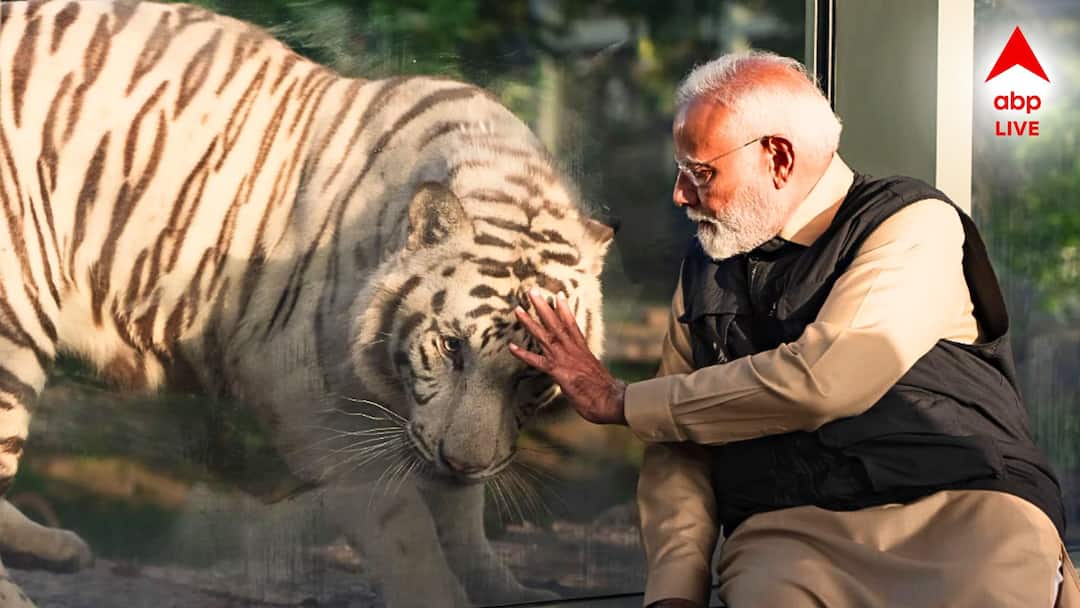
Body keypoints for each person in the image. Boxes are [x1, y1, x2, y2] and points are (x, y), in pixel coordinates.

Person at [507, 51, 1080, 607]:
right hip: (786, 541)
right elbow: (677, 446)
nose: (680, 195)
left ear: (778, 158)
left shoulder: (914, 222)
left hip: (959, 513)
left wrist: (623, 400)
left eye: (699, 172)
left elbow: (825, 378)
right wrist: (674, 591)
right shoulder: (705, 268)